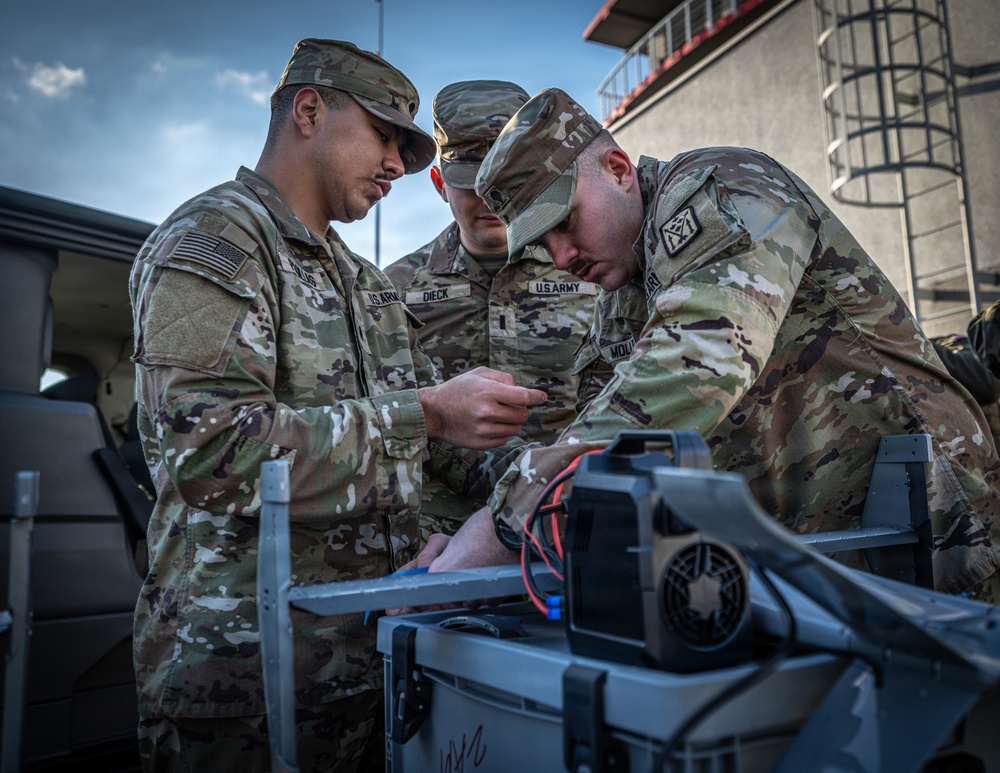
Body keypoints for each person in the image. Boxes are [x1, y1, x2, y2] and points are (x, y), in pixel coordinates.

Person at [129, 39, 545, 773]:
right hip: (246, 681)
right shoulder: (215, 243)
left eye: (408, 149)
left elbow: (440, 446)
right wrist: (428, 413)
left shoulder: (364, 281)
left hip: (368, 670)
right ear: (310, 110)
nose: (396, 164)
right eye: (385, 137)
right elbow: (204, 450)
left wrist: (542, 488)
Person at [413, 87, 1000, 606]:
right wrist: (471, 544)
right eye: (543, 241)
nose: (561, 255)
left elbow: (697, 363)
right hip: (812, 560)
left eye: (565, 221)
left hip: (929, 534)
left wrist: (500, 528)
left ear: (618, 170)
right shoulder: (621, 293)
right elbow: (603, 444)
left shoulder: (722, 184)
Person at [384, 80, 599, 542]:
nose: (491, 199)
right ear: (440, 184)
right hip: (436, 537)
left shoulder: (590, 266)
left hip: (568, 516)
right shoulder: (394, 289)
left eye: (504, 180)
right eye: (471, 184)